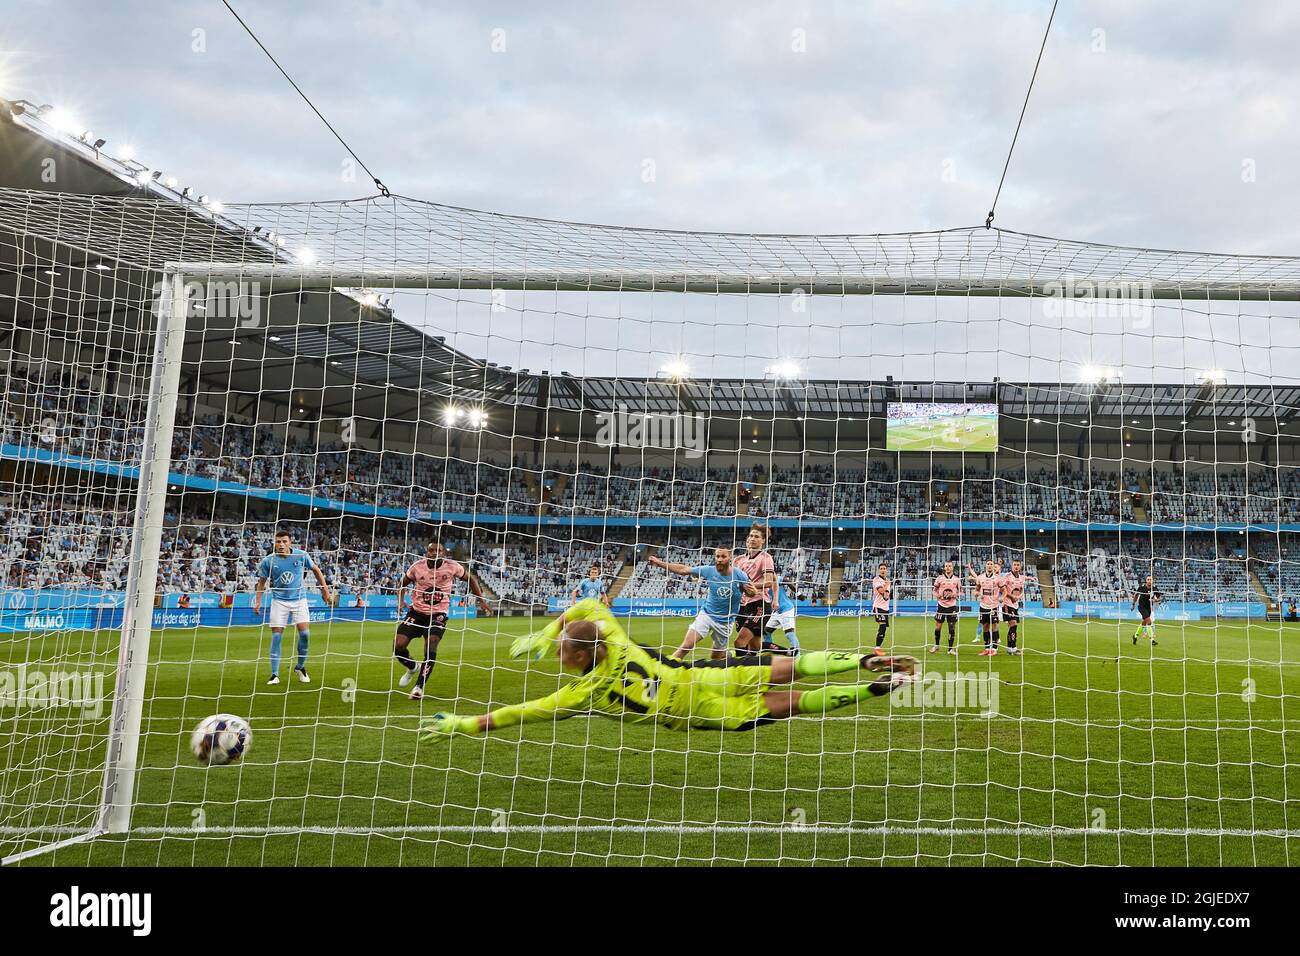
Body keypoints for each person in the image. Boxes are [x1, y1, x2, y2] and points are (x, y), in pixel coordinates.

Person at [419, 598, 917, 739]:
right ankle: (862, 658)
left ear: (577, 658)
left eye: (559, 651)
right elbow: (591, 604)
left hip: (697, 710)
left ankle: (878, 686)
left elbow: (521, 713)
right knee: (787, 667)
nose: (555, 656)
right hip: (701, 675)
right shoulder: (612, 639)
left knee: (788, 706)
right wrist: (551, 631)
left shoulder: (582, 694)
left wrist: (467, 723)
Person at [395, 542, 491, 700]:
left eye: (437, 550)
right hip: (417, 612)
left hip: (438, 614)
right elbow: (402, 583)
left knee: (431, 647)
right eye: (431, 550)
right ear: (426, 552)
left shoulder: (452, 566)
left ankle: (419, 687)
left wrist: (480, 600)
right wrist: (400, 601)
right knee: (398, 646)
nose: (434, 553)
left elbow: (471, 579)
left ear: (444, 553)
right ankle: (412, 667)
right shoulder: (417, 567)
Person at [253, 530, 333, 685]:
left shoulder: (301, 555)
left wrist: (325, 591)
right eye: (278, 542)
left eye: (284, 541)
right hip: (279, 601)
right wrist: (258, 601)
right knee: (276, 637)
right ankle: (274, 674)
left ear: (290, 542)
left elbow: (316, 570)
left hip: (299, 600)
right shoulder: (268, 560)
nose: (281, 545)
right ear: (274, 543)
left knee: (305, 634)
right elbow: (262, 582)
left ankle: (300, 667)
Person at [649, 547, 756, 661]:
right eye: (717, 556)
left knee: (715, 657)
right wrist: (659, 563)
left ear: (730, 558)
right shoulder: (709, 570)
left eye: (723, 556)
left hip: (725, 622)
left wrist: (751, 592)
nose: (719, 559)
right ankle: (665, 669)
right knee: (686, 645)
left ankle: (726, 654)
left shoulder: (740, 575)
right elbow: (684, 569)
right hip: (707, 615)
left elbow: (751, 593)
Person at [732, 525, 775, 655]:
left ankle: (740, 671)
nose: (753, 538)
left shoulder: (765, 558)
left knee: (739, 642)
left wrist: (748, 586)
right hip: (742, 606)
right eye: (751, 536)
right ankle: (787, 653)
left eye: (757, 536)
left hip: (759, 605)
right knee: (755, 645)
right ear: (746, 539)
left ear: (763, 541)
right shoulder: (738, 560)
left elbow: (768, 582)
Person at [761, 574, 801, 656]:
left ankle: (797, 655)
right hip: (776, 611)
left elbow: (788, 582)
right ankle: (769, 651)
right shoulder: (761, 583)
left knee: (789, 633)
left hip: (786, 609)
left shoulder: (776, 578)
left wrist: (799, 594)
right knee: (765, 631)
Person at [968, 560, 1002, 656]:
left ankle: (994, 649)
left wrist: (1002, 597)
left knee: (994, 626)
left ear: (993, 566)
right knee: (985, 627)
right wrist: (977, 593)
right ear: (985, 566)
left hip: (994, 606)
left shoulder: (998, 578)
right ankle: (987, 648)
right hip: (983, 606)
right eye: (988, 564)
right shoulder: (980, 577)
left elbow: (1004, 590)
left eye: (991, 564)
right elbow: (977, 589)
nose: (990, 566)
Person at [932, 560, 961, 654]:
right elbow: (934, 590)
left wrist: (955, 595)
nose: (948, 567)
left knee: (951, 628)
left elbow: (962, 592)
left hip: (952, 606)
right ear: (944, 568)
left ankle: (950, 649)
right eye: (946, 566)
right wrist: (937, 596)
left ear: (952, 568)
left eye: (949, 566)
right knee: (938, 627)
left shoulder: (957, 580)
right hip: (941, 606)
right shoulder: (939, 578)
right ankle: (936, 645)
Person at [1000, 558, 1027, 655]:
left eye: (1018, 565)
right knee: (1013, 624)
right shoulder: (1007, 576)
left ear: (1020, 566)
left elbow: (1022, 590)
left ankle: (1011, 648)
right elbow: (1002, 589)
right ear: (1012, 566)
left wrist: (1018, 597)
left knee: (1013, 626)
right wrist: (1012, 596)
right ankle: (1012, 648)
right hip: (1007, 604)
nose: (1016, 566)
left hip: (1015, 605)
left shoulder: (1021, 578)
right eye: (1014, 564)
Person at [1131, 574, 1163, 646]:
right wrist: (1133, 604)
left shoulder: (1154, 589)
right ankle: (1152, 640)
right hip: (1141, 607)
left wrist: (1155, 600)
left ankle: (1135, 636)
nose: (1149, 581)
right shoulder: (1141, 588)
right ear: (1146, 580)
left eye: (1150, 579)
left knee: (1144, 623)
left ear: (1152, 581)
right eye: (1148, 579)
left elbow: (1159, 598)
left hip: (1149, 608)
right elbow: (1136, 596)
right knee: (1149, 621)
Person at [871, 562, 891, 653]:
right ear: (879, 570)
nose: (883, 570)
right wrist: (886, 585)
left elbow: (886, 596)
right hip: (878, 607)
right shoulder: (876, 579)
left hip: (885, 608)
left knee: (884, 628)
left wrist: (887, 585)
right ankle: (877, 648)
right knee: (882, 626)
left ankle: (878, 647)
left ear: (886, 570)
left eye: (884, 568)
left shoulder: (887, 580)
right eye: (881, 568)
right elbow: (882, 591)